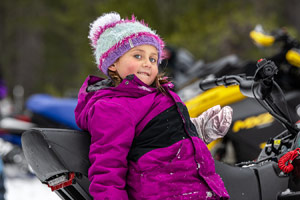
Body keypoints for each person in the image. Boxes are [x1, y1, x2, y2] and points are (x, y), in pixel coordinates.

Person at [75, 12, 232, 200]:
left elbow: (159, 142)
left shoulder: (160, 96)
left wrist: (197, 132)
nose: (147, 64)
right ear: (113, 64)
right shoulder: (114, 107)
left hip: (196, 191)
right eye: (138, 56)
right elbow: (107, 168)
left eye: (152, 58)